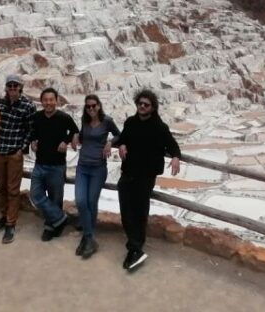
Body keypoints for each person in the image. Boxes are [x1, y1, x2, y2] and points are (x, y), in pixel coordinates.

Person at [116, 89, 181, 271]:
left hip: (145, 176)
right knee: (126, 211)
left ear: (153, 107)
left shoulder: (160, 127)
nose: (142, 106)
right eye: (140, 103)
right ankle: (134, 246)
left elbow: (173, 146)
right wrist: (122, 144)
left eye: (146, 104)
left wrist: (176, 157)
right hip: (128, 173)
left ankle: (135, 248)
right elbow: (122, 138)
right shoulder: (130, 122)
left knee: (140, 211)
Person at [30, 87, 79, 242]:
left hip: (57, 166)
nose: (48, 103)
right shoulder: (37, 117)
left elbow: (75, 131)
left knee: (55, 199)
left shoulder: (64, 117)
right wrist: (33, 141)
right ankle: (61, 218)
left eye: (51, 100)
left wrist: (66, 141)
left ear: (56, 101)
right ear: (41, 101)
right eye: (45, 100)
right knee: (35, 195)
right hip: (40, 164)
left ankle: (51, 227)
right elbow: (33, 132)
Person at [74, 94, 120, 258]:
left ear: (99, 105)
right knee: (81, 201)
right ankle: (89, 238)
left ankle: (88, 238)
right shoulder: (84, 120)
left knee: (91, 202)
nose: (91, 108)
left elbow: (119, 134)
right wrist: (75, 136)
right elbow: (82, 136)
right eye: (88, 106)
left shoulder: (107, 121)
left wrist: (110, 142)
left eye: (94, 105)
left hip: (98, 168)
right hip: (82, 166)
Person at [0, 74, 36, 244]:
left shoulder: (28, 106)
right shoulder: (2, 103)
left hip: (14, 153)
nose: (12, 88)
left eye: (15, 86)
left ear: (20, 88)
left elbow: (31, 130)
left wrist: (21, 149)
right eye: (9, 85)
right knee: (1, 187)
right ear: (6, 87)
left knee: (12, 189)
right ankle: (4, 216)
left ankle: (11, 223)